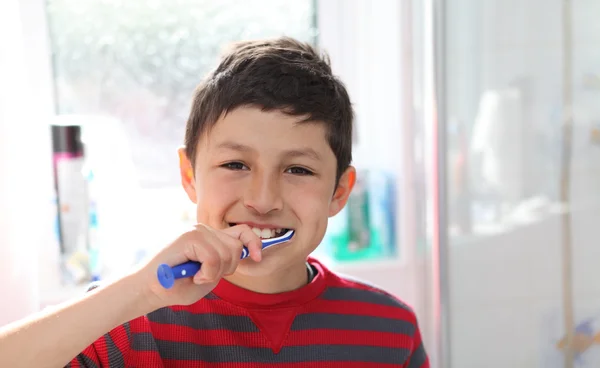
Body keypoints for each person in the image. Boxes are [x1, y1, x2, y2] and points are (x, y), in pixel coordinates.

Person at [0, 37, 429, 368]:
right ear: (189, 175)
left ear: (339, 192)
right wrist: (140, 292)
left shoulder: (392, 330)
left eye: (298, 170)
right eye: (236, 164)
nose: (262, 201)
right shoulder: (126, 320)